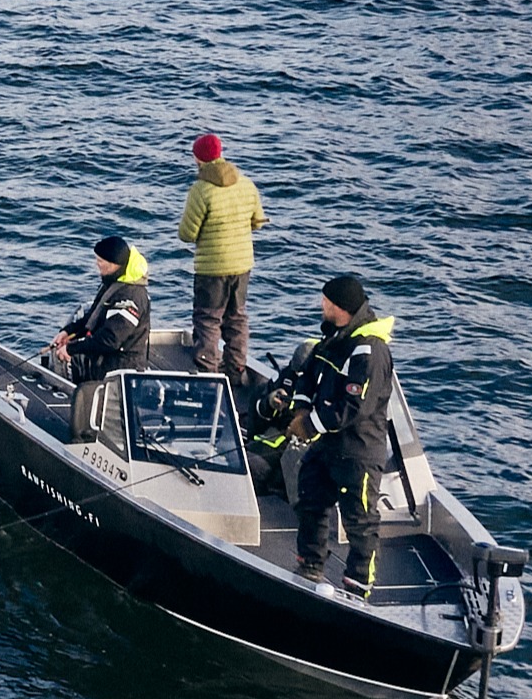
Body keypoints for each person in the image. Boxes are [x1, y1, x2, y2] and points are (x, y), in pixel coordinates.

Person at [285, 275, 397, 595]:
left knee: (360, 521)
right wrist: (300, 410)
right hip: (327, 446)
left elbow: (353, 407)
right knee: (310, 497)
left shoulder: (370, 351)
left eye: (326, 302)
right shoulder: (333, 339)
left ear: (340, 307)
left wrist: (310, 426)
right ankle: (310, 562)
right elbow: (308, 375)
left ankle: (359, 584)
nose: (321, 305)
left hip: (358, 451)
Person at [175, 133, 268, 383]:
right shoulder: (246, 183)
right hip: (242, 265)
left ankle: (209, 374)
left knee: (208, 318)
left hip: (212, 268)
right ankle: (236, 369)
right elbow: (258, 222)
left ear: (198, 158)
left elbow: (187, 233)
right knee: (236, 316)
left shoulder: (201, 190)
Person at [53, 236, 153, 383]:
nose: (97, 265)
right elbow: (93, 317)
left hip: (120, 372)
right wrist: (68, 332)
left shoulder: (130, 297)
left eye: (100, 261)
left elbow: (110, 339)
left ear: (114, 264)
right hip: (102, 366)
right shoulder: (113, 283)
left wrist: (71, 349)